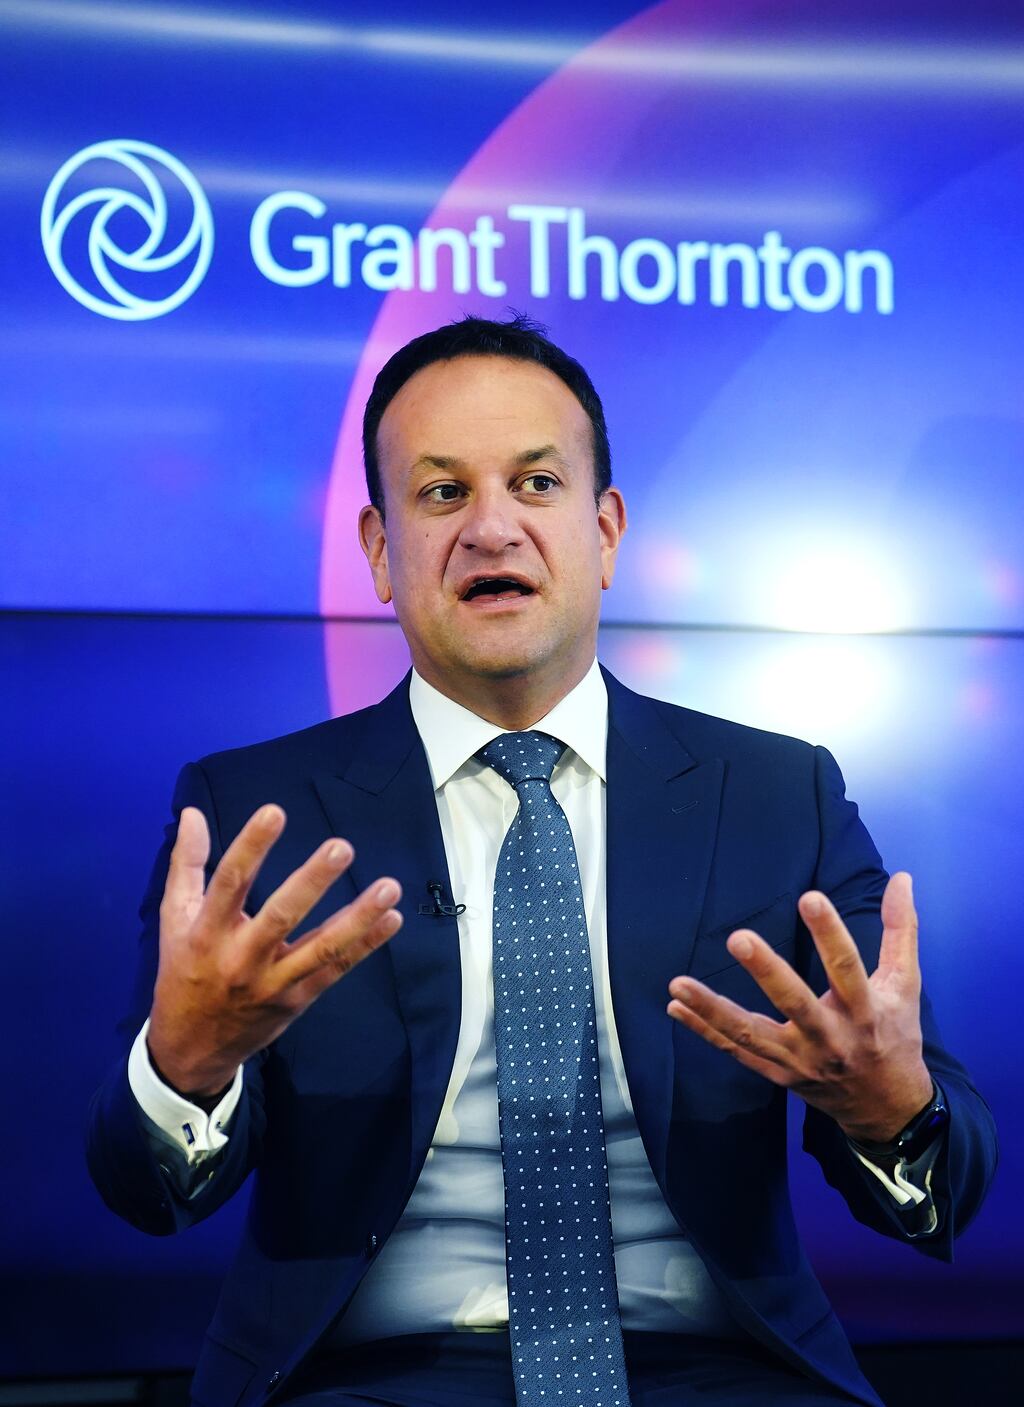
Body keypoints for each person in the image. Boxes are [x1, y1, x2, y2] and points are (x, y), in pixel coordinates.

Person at [88, 316, 997, 1407]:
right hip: (363, 1378)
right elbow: (144, 1195)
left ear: (605, 532)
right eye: (440, 495)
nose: (490, 529)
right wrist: (186, 1066)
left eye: (534, 484)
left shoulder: (772, 796)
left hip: (721, 1374)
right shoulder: (254, 812)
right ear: (380, 553)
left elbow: (945, 1189)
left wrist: (886, 1106)